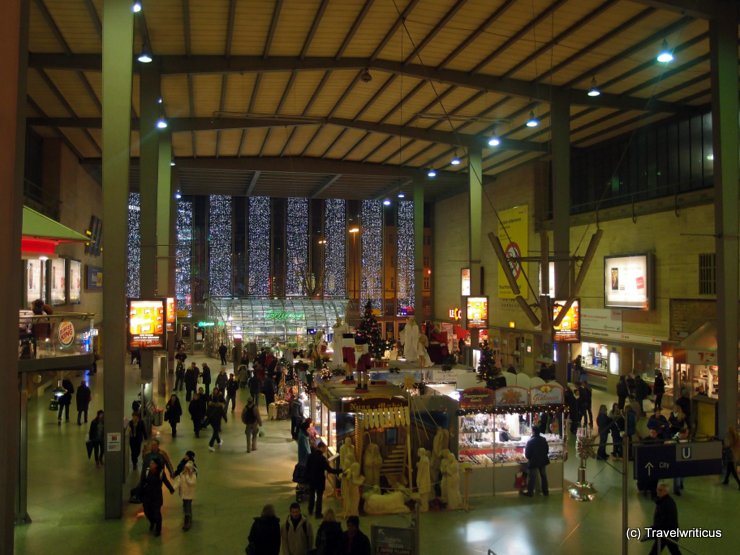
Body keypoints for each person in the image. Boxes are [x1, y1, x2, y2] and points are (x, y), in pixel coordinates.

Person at [305, 442, 341, 519]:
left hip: (311, 480)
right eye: (325, 448)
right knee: (319, 497)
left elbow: (307, 468)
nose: (325, 449)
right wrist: (340, 470)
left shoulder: (310, 456)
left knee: (311, 495)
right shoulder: (322, 459)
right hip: (319, 481)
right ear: (321, 447)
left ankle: (310, 510)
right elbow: (330, 470)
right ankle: (318, 514)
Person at [140, 459, 175, 537]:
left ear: (156, 465)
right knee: (147, 512)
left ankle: (158, 530)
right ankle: (152, 522)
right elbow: (143, 481)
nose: (150, 464)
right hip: (147, 496)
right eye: (150, 463)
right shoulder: (147, 471)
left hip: (156, 496)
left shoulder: (161, 472)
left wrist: (171, 489)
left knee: (157, 513)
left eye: (152, 463)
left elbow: (165, 481)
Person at [646, 482, 681, 555]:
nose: (658, 491)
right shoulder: (665, 501)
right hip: (668, 533)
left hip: (666, 534)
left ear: (665, 491)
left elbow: (662, 521)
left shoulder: (666, 504)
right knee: (674, 551)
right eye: (658, 489)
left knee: (654, 552)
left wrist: (653, 529)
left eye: (660, 490)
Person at [521, 426, 549, 497]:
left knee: (532, 477)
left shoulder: (530, 441)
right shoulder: (543, 439)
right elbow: (546, 450)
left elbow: (527, 455)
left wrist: (530, 458)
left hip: (533, 461)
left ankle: (530, 492)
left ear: (533, 432)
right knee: (543, 476)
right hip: (543, 460)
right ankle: (545, 491)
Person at [174, 450, 197, 531]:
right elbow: (178, 480)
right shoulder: (182, 470)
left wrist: (187, 476)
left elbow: (192, 482)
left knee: (188, 506)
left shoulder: (191, 474)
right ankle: (187, 518)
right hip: (184, 491)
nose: (185, 456)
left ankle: (188, 520)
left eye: (187, 455)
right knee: (185, 504)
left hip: (189, 492)